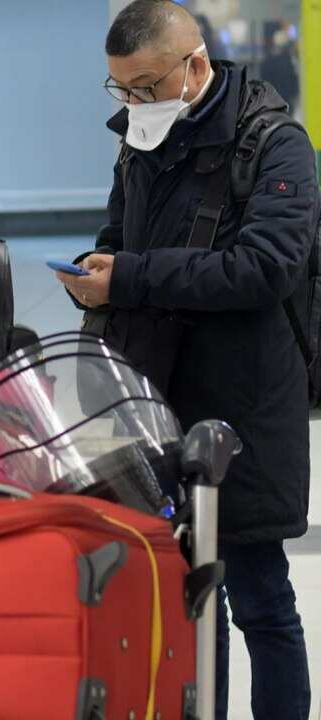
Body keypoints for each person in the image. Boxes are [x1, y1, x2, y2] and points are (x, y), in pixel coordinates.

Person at [58, 2, 318, 717]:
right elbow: (121, 235)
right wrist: (93, 272)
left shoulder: (275, 144)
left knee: (260, 597)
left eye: (144, 87)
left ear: (194, 66)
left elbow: (263, 268)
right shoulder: (140, 141)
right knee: (188, 598)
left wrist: (132, 276)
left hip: (248, 406)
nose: (134, 103)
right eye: (120, 90)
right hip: (159, 398)